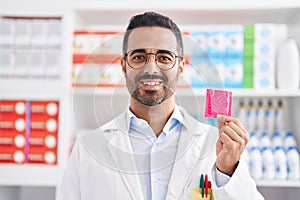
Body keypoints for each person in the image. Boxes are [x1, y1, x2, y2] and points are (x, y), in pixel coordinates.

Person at [56, 12, 264, 200]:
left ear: (181, 67)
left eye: (164, 57)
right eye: (138, 57)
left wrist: (226, 170)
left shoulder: (213, 145)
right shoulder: (88, 148)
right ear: (124, 66)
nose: (151, 68)